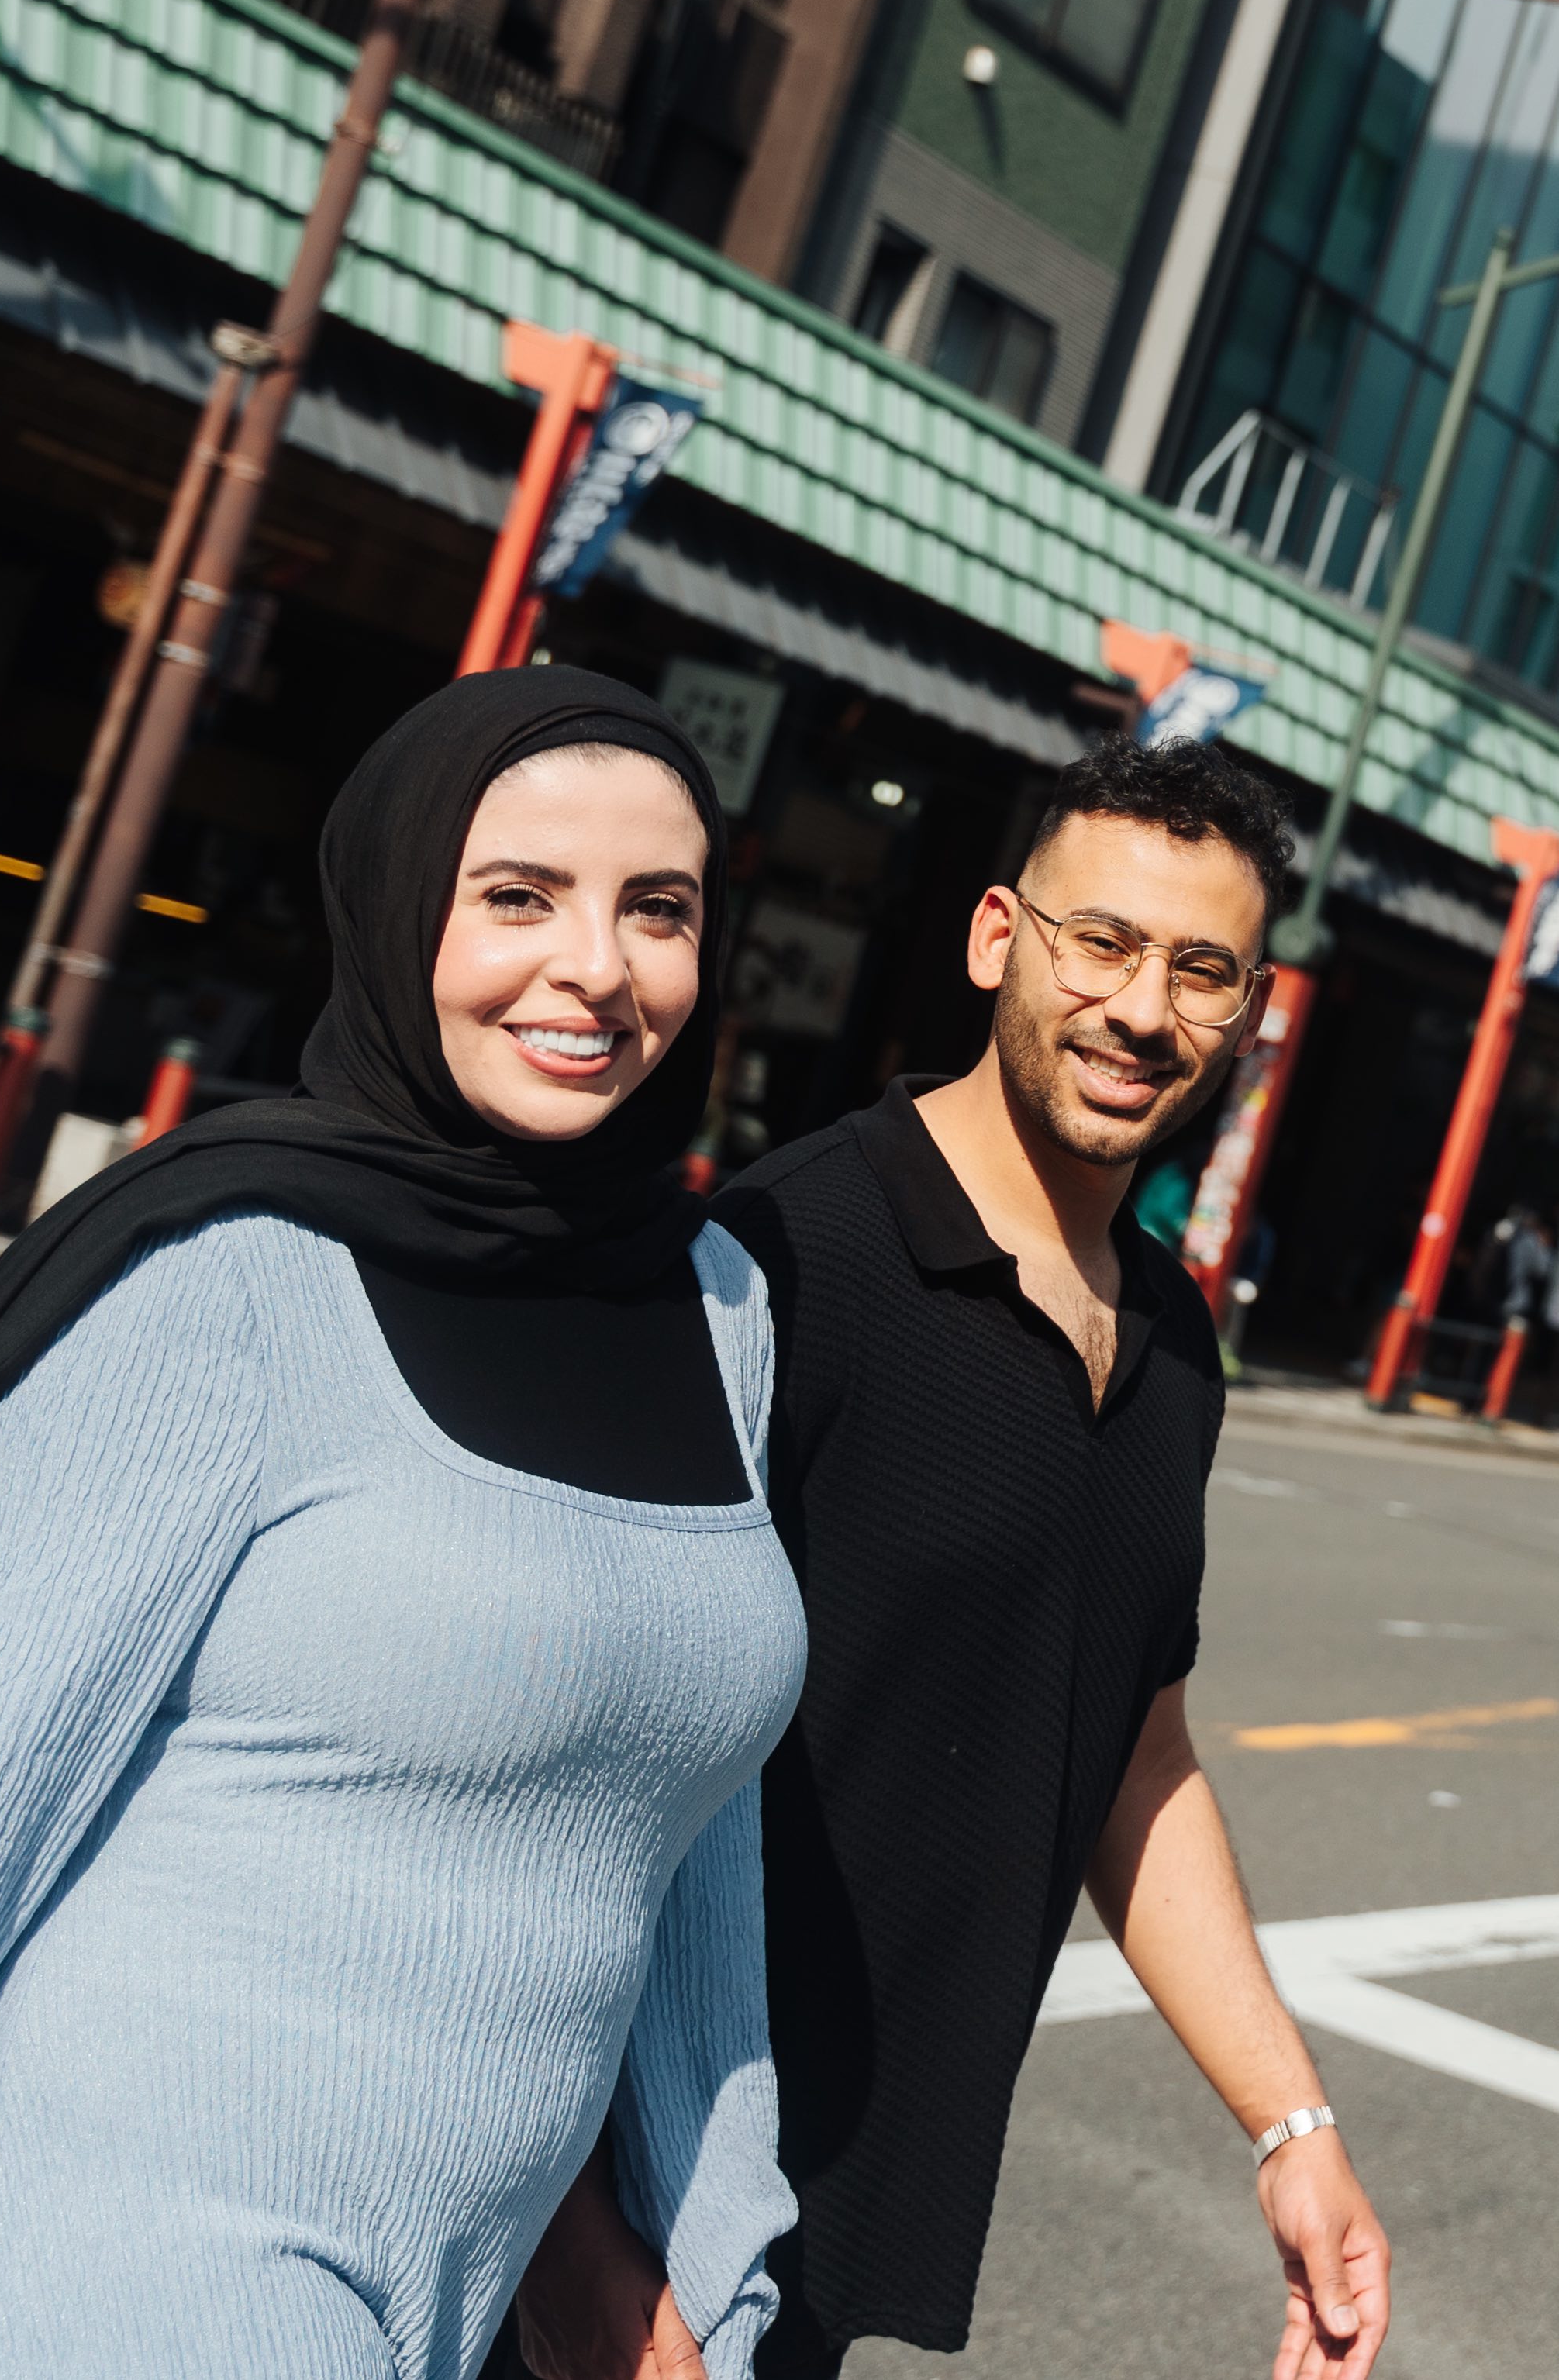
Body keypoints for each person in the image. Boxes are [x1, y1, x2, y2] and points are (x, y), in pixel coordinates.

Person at [0, 668, 799, 2375]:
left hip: (444, 2291)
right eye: (517, 895)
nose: (596, 966)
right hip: (128, 2258)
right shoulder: (224, 1278)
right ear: (397, 910)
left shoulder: (716, 1302)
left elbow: (693, 1843)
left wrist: (698, 2252)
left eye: (658, 909)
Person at [517, 730, 1389, 2380]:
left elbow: (1135, 1757)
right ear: (1000, 939)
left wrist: (1294, 2126)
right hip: (624, 2219)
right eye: (1103, 941)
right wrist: (590, 2266)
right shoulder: (781, 1261)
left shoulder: (1172, 1345)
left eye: (1204, 968)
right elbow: (563, 1769)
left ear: (1254, 1015)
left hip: (831, 2212)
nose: (1144, 1007)